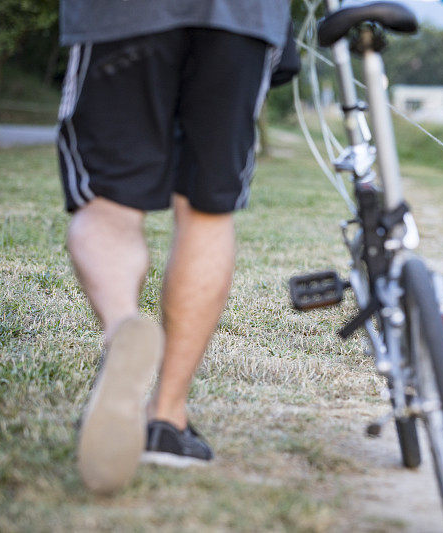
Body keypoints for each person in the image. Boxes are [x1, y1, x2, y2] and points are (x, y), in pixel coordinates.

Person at [57, 1, 294, 493]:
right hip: (240, 17)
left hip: (125, 16)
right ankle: (166, 420)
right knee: (206, 212)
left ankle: (125, 327)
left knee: (108, 204)